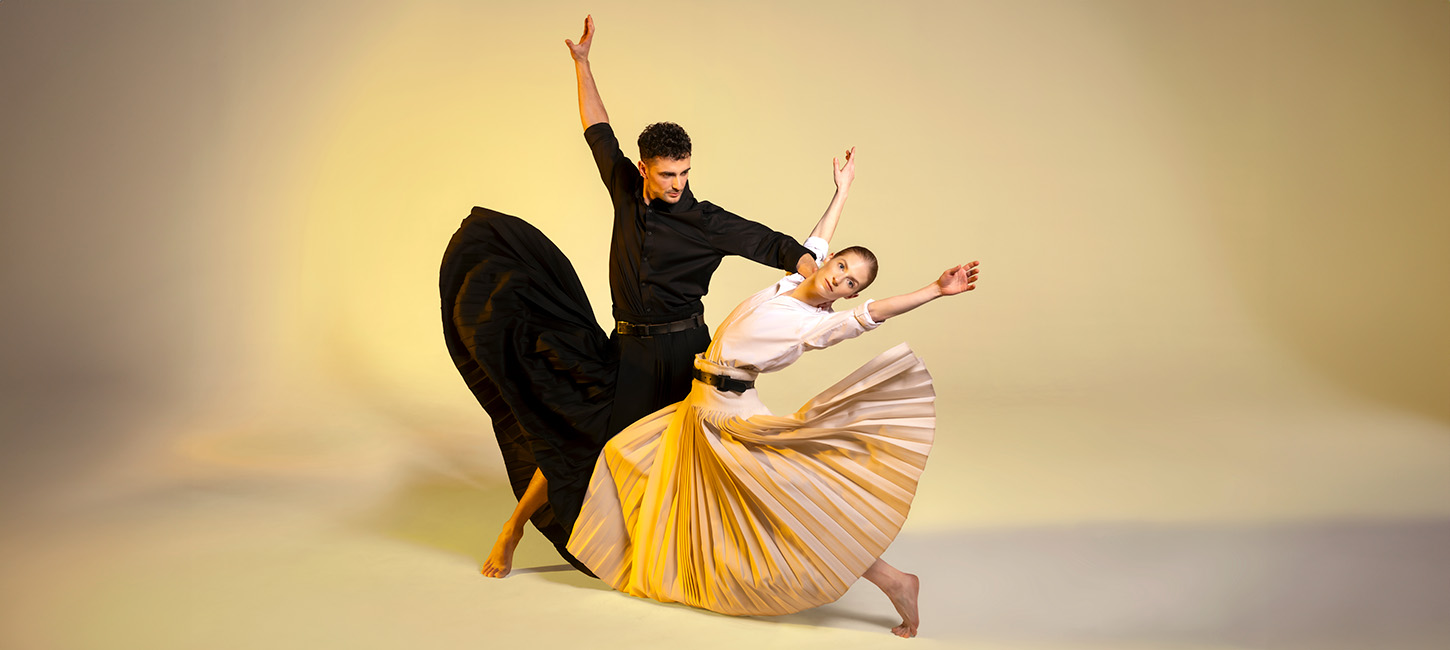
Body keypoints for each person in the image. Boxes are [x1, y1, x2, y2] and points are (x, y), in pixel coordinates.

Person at [440, 14, 820, 579]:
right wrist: (582, 64)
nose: (678, 184)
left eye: (684, 173)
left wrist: (818, 272)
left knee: (699, 453)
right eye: (667, 174)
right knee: (584, 441)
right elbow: (598, 129)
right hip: (630, 352)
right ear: (643, 168)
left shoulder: (705, 221)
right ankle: (513, 528)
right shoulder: (623, 187)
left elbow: (777, 246)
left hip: (688, 350)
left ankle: (699, 553)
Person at [565, 147, 980, 639]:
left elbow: (872, 314)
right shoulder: (796, 279)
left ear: (849, 294)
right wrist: (842, 190)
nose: (839, 278)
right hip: (697, 406)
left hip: (731, 418)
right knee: (627, 455)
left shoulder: (817, 325)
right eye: (841, 266)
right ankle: (670, 560)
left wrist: (934, 289)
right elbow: (815, 243)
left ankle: (894, 580)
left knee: (787, 505)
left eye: (850, 283)